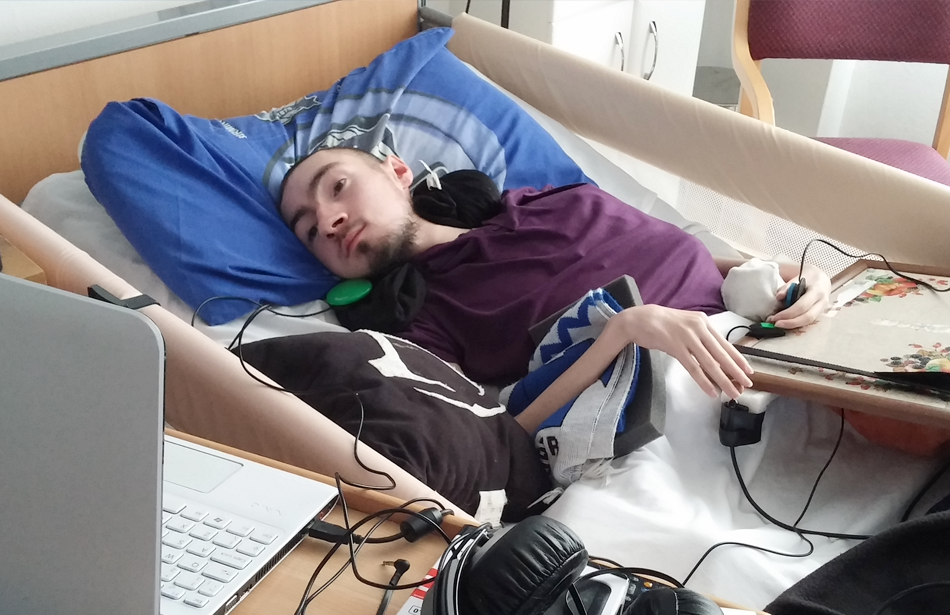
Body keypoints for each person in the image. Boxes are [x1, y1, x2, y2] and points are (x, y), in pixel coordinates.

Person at [279, 147, 831, 430]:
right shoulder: (427, 322)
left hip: (778, 340)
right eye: (309, 229)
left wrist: (796, 277)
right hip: (696, 404)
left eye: (339, 187)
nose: (328, 220)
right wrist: (620, 332)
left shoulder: (550, 202)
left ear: (398, 171)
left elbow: (690, 256)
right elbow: (509, 432)